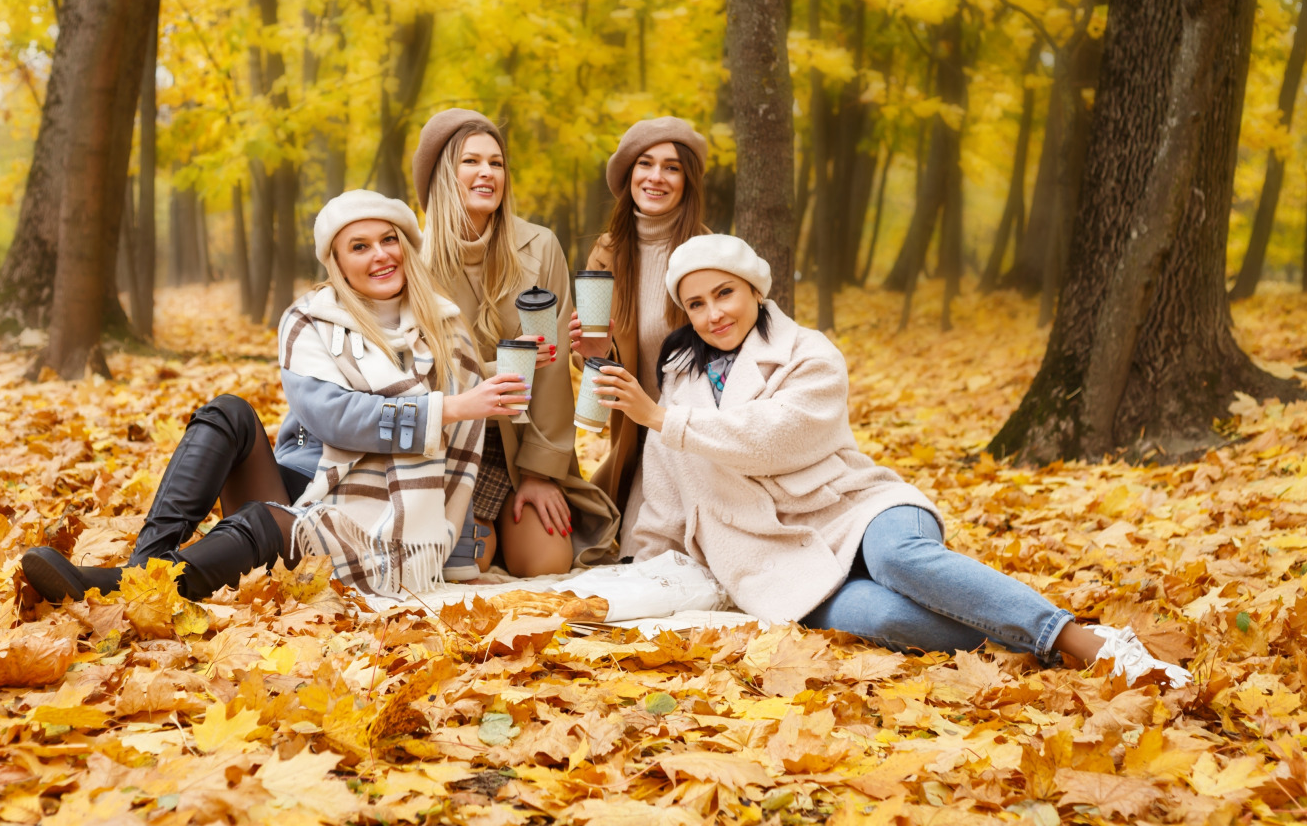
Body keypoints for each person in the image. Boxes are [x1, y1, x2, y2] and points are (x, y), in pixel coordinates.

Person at [594, 234, 1192, 685]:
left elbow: (773, 438)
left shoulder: (810, 354)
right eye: (696, 304)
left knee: (899, 559)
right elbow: (671, 482)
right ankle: (1039, 639)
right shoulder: (679, 376)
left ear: (755, 289)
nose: (713, 314)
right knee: (882, 617)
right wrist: (653, 558)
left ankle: (1084, 643)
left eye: (724, 292)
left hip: (855, 507)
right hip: (771, 555)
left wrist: (663, 420)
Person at [20, 190, 529, 603]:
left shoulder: (447, 333)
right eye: (360, 246)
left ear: (406, 248)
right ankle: (140, 571)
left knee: (261, 524)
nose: (380, 255)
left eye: (389, 240)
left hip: (382, 517)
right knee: (229, 412)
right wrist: (447, 407)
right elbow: (333, 417)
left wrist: (457, 558)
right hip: (307, 480)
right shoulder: (311, 321)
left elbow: (462, 455)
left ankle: (120, 588)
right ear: (338, 262)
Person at [411, 109, 619, 577]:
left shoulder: (541, 246)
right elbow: (422, 370)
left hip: (523, 443)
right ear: (444, 175)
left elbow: (552, 370)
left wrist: (540, 473)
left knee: (546, 562)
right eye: (471, 162)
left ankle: (511, 510)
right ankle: (482, 526)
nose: (487, 173)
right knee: (469, 562)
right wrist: (503, 365)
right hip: (455, 444)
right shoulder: (413, 262)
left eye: (497, 163)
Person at [569, 117, 709, 557]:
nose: (656, 177)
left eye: (672, 167)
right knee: (628, 554)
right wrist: (589, 354)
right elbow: (598, 362)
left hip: (694, 437)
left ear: (687, 181)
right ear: (629, 174)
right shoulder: (608, 252)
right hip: (636, 438)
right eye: (645, 164)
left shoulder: (707, 253)